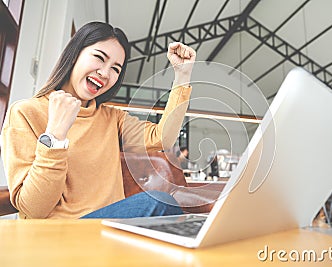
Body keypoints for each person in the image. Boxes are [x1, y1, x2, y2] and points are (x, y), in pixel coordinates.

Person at [1, 21, 196, 219]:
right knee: (157, 202)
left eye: (115, 69)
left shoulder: (112, 118)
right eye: (99, 58)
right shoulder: (25, 112)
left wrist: (182, 75)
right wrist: (55, 135)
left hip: (108, 231)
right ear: (75, 54)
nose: (104, 73)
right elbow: (34, 208)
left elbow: (163, 139)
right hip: (57, 235)